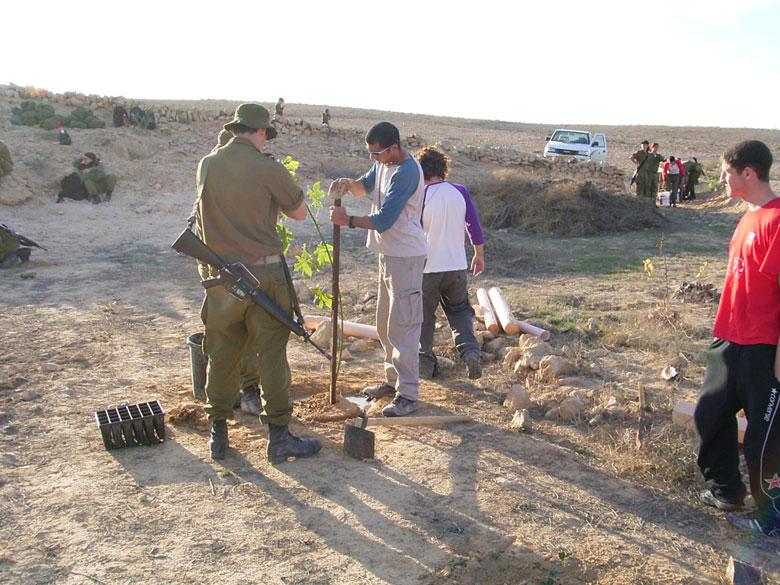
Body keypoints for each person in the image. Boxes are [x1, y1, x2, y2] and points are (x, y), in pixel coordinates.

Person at [194, 103, 321, 462]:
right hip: (263, 274)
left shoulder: (207, 163)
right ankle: (278, 437)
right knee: (272, 355)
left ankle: (218, 435)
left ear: (235, 129)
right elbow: (298, 212)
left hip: (220, 277)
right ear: (262, 132)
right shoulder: (268, 168)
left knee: (221, 353)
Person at [694, 140, 780, 539]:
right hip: (729, 336)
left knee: (764, 441)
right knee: (710, 413)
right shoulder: (749, 216)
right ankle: (727, 491)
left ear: (749, 173)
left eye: (727, 172)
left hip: (763, 346)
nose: (721, 179)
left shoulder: (776, 220)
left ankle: (772, 517)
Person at [328, 122, 427, 417]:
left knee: (404, 328)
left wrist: (348, 221)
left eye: (377, 153)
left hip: (406, 258)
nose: (373, 158)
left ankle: (408, 394)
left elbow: (384, 220)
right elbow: (363, 187)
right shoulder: (384, 164)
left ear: (393, 147)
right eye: (370, 153)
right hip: (388, 254)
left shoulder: (407, 171)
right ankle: (392, 382)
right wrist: (348, 183)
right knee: (385, 324)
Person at [188, 127, 264, 416]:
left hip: (227, 269)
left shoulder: (212, 171)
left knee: (234, 332)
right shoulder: (218, 181)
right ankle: (241, 393)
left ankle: (237, 393)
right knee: (233, 334)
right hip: (225, 272)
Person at [415, 146, 485, 381]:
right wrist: (479, 254)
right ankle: (471, 353)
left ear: (421, 171)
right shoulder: (460, 191)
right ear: (443, 169)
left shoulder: (421, 196)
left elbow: (412, 229)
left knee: (423, 317)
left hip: (428, 268)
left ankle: (425, 366)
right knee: (459, 312)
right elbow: (473, 225)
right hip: (456, 266)